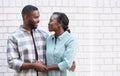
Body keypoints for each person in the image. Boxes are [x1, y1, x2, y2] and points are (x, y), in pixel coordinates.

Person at [7, 5, 48, 76]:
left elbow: (54, 51)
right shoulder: (14, 37)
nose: (38, 20)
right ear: (25, 17)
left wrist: (69, 60)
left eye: (38, 17)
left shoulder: (44, 35)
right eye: (35, 17)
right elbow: (12, 62)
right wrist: (33, 65)